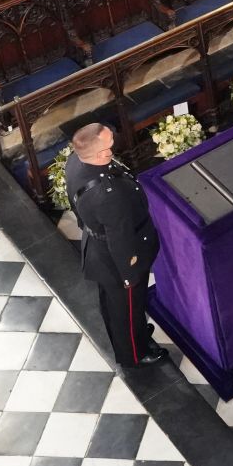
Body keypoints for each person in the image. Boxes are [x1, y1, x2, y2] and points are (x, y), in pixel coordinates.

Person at [65, 123, 167, 367]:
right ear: (100, 154)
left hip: (97, 249)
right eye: (110, 146)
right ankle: (135, 353)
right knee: (127, 310)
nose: (114, 148)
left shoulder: (76, 162)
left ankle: (136, 336)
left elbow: (73, 198)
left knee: (112, 304)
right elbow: (120, 239)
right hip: (118, 260)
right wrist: (129, 274)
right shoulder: (108, 195)